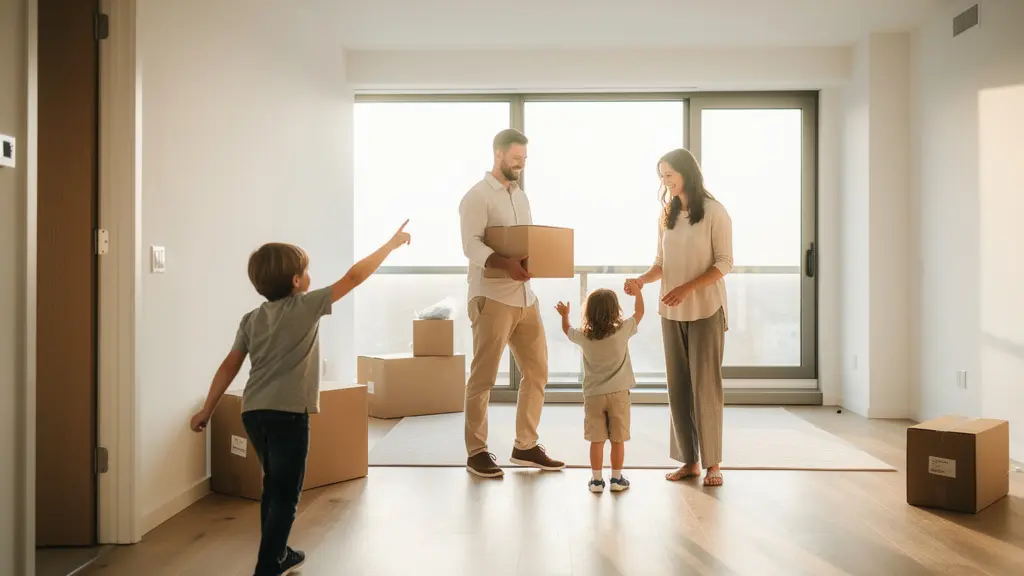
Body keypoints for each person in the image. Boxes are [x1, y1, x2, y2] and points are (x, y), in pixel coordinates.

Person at [188, 221, 412, 576]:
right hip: (288, 414)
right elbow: (354, 277)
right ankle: (267, 565)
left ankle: (277, 554)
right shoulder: (306, 306)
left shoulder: (251, 319)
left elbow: (229, 365)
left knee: (272, 485)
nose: (310, 276)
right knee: (287, 495)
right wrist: (390, 245)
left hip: (254, 412)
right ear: (296, 281)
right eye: (305, 271)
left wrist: (208, 409)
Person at [458, 128, 564, 478]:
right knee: (484, 377)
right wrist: (505, 265)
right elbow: (471, 246)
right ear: (498, 154)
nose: (520, 165)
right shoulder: (476, 197)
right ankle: (476, 452)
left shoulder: (521, 196)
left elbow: (524, 240)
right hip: (491, 298)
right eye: (516, 158)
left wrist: (539, 260)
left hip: (524, 297)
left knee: (537, 371)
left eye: (524, 160)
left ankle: (525, 446)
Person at [625, 148, 733, 487]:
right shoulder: (666, 215)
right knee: (678, 388)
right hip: (671, 311)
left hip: (706, 310)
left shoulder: (715, 212)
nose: (665, 181)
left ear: (687, 173)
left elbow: (724, 263)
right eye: (661, 175)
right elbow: (661, 262)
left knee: (706, 388)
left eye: (669, 174)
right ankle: (690, 461)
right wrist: (642, 280)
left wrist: (688, 288)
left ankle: (713, 463)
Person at [556, 287, 643, 493]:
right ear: (615, 310)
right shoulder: (623, 331)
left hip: (593, 395)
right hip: (619, 394)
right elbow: (639, 313)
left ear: (589, 312)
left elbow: (566, 330)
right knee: (617, 439)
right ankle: (616, 478)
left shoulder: (584, 336)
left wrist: (565, 315)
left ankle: (596, 481)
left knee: (597, 440)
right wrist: (638, 292)